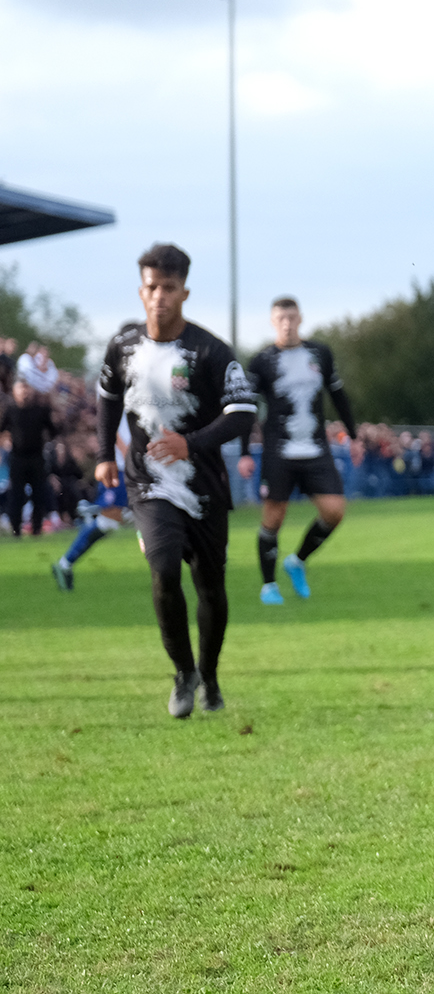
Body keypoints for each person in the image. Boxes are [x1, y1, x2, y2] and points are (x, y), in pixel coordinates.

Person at [96, 243, 257, 717]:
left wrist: (194, 442)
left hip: (204, 486)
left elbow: (244, 412)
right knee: (163, 568)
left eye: (169, 288)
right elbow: (107, 396)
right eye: (152, 287)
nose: (159, 296)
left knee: (210, 587)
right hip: (148, 481)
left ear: (184, 291)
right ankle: (182, 673)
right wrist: (105, 454)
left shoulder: (209, 350)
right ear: (140, 290)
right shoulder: (122, 347)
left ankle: (209, 675)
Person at [236, 297, 354, 604]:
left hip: (316, 448)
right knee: (274, 517)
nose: (287, 323)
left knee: (334, 511)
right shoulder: (262, 361)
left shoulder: (320, 353)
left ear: (300, 318)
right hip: (279, 451)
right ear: (273, 322)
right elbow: (248, 409)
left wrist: (353, 436)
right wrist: (245, 452)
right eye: (281, 319)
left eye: (291, 317)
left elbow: (338, 396)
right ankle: (268, 585)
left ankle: (297, 560)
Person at [53, 415, 134, 591]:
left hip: (131, 469)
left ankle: (65, 563)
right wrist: (129, 457)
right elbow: (112, 429)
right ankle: (65, 563)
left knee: (112, 521)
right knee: (114, 519)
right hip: (119, 470)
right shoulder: (122, 400)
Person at [1, 378, 56, 536]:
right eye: (21, 389)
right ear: (14, 391)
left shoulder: (41, 410)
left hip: (37, 457)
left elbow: (53, 431)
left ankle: (37, 528)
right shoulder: (11, 411)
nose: (24, 392)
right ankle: (15, 529)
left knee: (39, 493)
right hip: (17, 458)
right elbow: (2, 429)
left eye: (27, 389)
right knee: (16, 495)